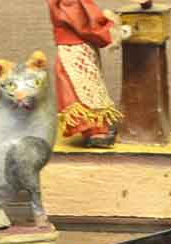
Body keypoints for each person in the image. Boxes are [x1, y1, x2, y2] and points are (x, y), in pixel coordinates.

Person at [46, 0, 128, 146]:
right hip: (74, 49)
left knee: (90, 87)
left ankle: (98, 128)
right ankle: (93, 133)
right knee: (80, 92)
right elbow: (85, 24)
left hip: (77, 47)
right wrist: (111, 28)